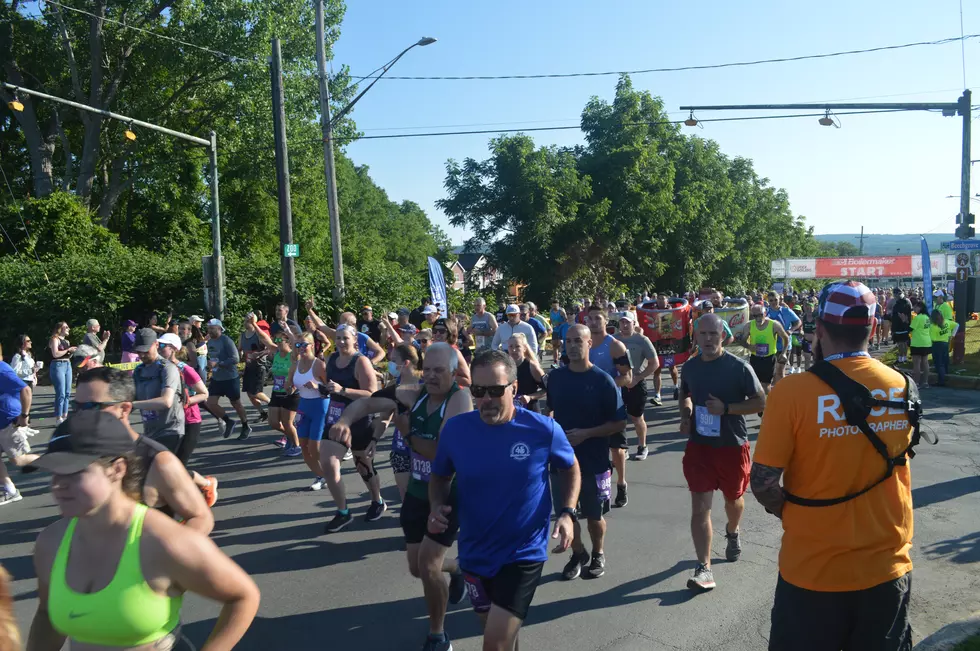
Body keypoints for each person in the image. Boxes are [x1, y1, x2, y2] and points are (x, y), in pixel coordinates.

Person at [750, 281, 918, 651]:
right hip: (886, 569)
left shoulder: (791, 393)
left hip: (813, 570)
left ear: (820, 329)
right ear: (873, 329)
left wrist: (792, 511)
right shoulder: (904, 386)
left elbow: (762, 483)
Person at [24, 411, 260, 651]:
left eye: (74, 472)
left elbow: (242, 596)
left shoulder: (163, 541)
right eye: (54, 472)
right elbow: (47, 616)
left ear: (117, 469)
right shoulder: (51, 542)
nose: (58, 484)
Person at [429, 349, 579, 651]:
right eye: (479, 390)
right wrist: (436, 506)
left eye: (496, 390)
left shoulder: (542, 429)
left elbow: (570, 466)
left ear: (514, 388)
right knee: (499, 634)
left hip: (523, 553)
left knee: (494, 643)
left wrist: (567, 513)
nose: (486, 398)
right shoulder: (456, 430)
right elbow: (440, 476)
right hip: (475, 551)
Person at [329, 342, 471, 651]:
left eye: (439, 371)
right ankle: (459, 568)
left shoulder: (460, 400)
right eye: (428, 370)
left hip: (447, 493)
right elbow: (366, 404)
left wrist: (406, 433)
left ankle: (438, 634)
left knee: (429, 566)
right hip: (417, 493)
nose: (432, 377)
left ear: (453, 372)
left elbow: (439, 452)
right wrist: (343, 421)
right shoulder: (412, 393)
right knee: (416, 568)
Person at [69, 367, 217, 531]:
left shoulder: (157, 460)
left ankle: (205, 484)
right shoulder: (80, 451)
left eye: (91, 407)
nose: (81, 415)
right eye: (76, 407)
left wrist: (166, 551)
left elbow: (200, 517)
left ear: (124, 409)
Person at [679, 314, 766, 592]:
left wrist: (727, 409)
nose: (707, 339)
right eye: (702, 334)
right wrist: (686, 412)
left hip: (731, 444)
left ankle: (732, 531)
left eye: (712, 335)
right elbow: (686, 394)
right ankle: (704, 568)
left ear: (723, 336)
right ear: (695, 335)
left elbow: (760, 401)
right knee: (700, 508)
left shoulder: (738, 367)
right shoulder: (690, 367)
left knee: (733, 500)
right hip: (700, 445)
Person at [547, 324, 626, 580]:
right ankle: (578, 553)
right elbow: (550, 413)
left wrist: (586, 433)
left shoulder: (602, 380)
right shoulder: (557, 378)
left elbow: (619, 423)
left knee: (594, 515)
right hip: (561, 462)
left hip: (594, 461)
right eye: (568, 341)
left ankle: (598, 553)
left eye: (577, 341)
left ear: (589, 343)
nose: (571, 346)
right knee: (566, 513)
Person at [320, 325, 381, 532]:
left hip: (359, 418)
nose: (340, 342)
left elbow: (372, 393)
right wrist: (323, 389)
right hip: (336, 418)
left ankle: (377, 500)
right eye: (337, 338)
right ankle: (343, 512)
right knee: (328, 463)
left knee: (363, 466)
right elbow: (330, 388)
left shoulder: (361, 361)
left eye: (345, 338)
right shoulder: (331, 359)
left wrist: (343, 390)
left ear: (355, 340)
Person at [585, 305, 633, 508]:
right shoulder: (582, 345)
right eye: (590, 319)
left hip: (612, 404)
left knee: (616, 449)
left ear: (606, 322)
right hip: (589, 406)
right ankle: (601, 490)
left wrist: (606, 386)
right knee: (595, 449)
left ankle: (621, 483)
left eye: (598, 318)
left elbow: (627, 378)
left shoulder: (615, 346)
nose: (594, 322)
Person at [157, 333, 209, 469]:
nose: (159, 348)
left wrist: (185, 401)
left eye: (163, 345)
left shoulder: (185, 369)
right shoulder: (158, 369)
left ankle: (204, 484)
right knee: (165, 464)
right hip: (169, 421)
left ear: (173, 348)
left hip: (189, 420)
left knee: (179, 465)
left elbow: (204, 393)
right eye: (157, 345)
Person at [286, 332, 331, 490]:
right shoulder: (295, 365)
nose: (301, 348)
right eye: (298, 345)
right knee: (303, 445)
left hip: (320, 405)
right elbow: (289, 386)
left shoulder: (318, 364)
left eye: (304, 344)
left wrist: (318, 386)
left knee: (314, 447)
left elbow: (331, 389)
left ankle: (330, 471)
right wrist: (288, 387)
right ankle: (321, 476)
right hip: (303, 405)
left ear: (312, 345)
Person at [130, 328, 185, 454]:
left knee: (157, 467)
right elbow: (131, 399)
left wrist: (132, 404)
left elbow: (166, 401)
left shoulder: (167, 368)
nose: (142, 355)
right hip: (150, 431)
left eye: (145, 350)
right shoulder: (139, 371)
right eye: (139, 351)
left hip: (170, 430)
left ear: (156, 344)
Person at [615, 311, 660, 460]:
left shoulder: (642, 340)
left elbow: (655, 363)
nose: (625, 325)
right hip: (618, 384)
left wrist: (638, 377)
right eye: (622, 322)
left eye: (628, 322)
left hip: (636, 384)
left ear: (634, 323)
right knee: (619, 418)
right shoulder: (614, 340)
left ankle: (642, 446)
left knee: (637, 418)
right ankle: (623, 448)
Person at [0, 342, 36, 506]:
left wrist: (24, 416)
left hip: (8, 421)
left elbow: (26, 390)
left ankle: (62, 462)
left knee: (19, 460)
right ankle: (11, 490)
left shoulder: (2, 369)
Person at [205, 318, 251, 440]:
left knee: (236, 403)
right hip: (217, 378)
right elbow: (213, 358)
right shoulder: (209, 342)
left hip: (230, 378)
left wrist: (219, 364)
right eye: (208, 328)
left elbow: (236, 359)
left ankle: (245, 425)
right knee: (210, 403)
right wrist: (209, 365)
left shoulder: (226, 340)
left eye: (212, 328)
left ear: (219, 329)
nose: (210, 330)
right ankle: (228, 421)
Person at [738, 304, 790, 396]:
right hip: (755, 358)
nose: (758, 318)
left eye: (760, 315)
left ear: (765, 313)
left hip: (769, 358)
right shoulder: (749, 325)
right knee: (756, 384)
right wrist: (749, 346)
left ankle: (769, 404)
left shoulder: (774, 324)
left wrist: (784, 353)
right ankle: (761, 407)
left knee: (766, 385)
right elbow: (742, 341)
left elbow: (785, 338)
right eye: (755, 316)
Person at [268, 331, 302, 457]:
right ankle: (290, 435)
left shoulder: (293, 355)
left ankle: (297, 446)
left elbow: (296, 343)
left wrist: (288, 331)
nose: (276, 343)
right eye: (275, 340)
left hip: (291, 393)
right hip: (277, 391)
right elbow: (265, 339)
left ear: (288, 342)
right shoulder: (277, 354)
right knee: (273, 422)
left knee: (287, 422)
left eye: (279, 341)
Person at [239, 313, 272, 424]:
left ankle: (272, 403)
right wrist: (240, 355)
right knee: (249, 393)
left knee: (256, 392)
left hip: (260, 366)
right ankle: (263, 413)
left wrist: (258, 354)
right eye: (245, 320)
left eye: (248, 320)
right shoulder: (242, 335)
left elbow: (270, 349)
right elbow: (240, 349)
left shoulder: (258, 334)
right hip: (249, 367)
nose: (245, 322)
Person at [766, 291, 802, 384]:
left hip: (784, 346)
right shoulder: (765, 312)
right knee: (771, 372)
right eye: (771, 300)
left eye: (775, 300)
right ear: (768, 301)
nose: (774, 302)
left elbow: (798, 322)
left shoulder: (787, 311)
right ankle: (773, 393)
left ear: (779, 299)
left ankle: (781, 393)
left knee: (780, 371)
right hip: (770, 346)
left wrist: (791, 330)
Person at [507, 333, 546, 411]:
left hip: (530, 411)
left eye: (517, 346)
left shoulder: (532, 366)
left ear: (524, 348)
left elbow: (548, 389)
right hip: (511, 412)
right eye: (511, 346)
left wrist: (530, 397)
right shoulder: (506, 367)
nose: (514, 350)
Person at [48, 322, 76, 424]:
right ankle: (58, 417)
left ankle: (65, 415)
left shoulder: (67, 341)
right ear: (60, 328)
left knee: (68, 392)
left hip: (67, 364)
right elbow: (55, 354)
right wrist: (68, 349)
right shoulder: (55, 339)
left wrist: (71, 352)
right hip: (58, 365)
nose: (68, 328)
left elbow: (66, 355)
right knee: (61, 393)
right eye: (66, 327)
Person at [431, 317, 472, 387]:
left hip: (454, 394)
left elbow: (468, 381)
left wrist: (444, 377)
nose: (437, 334)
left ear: (449, 333)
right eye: (435, 331)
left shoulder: (454, 352)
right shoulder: (432, 350)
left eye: (442, 331)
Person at [908, 302, 932, 389]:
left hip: (917, 342)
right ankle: (925, 382)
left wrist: (904, 321)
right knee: (925, 362)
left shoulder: (918, 318)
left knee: (916, 363)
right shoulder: (927, 317)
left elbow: (910, 329)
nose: (914, 309)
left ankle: (916, 383)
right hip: (927, 342)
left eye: (915, 307)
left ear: (920, 308)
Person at [930, 308, 953, 387]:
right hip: (945, 343)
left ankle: (941, 381)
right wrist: (952, 335)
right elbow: (957, 325)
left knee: (939, 363)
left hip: (937, 344)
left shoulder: (933, 326)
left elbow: (932, 338)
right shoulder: (946, 322)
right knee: (945, 361)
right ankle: (946, 377)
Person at [890, 287, 913, 364]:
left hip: (899, 326)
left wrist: (893, 329)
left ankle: (901, 358)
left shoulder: (899, 304)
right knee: (904, 343)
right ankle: (903, 358)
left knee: (901, 343)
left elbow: (897, 317)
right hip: (905, 326)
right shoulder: (906, 302)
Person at [800, 301, 817, 370]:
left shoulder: (816, 318)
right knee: (807, 360)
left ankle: (815, 376)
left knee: (815, 361)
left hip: (815, 342)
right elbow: (800, 327)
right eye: (807, 308)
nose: (809, 310)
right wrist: (801, 331)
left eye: (810, 308)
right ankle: (806, 376)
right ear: (805, 309)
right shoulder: (803, 318)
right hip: (806, 342)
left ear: (813, 309)